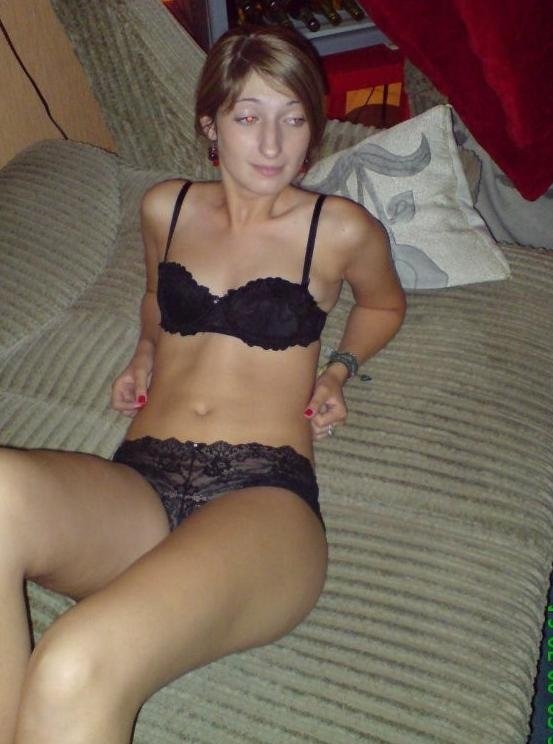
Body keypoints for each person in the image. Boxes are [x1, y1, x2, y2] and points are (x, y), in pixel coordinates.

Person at [0, 24, 405, 744]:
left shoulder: (338, 229)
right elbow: (156, 297)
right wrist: (144, 351)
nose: (272, 145)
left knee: (72, 661)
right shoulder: (166, 207)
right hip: (139, 485)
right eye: (248, 117)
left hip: (264, 498)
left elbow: (383, 305)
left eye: (293, 120)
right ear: (210, 125)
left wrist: (341, 368)